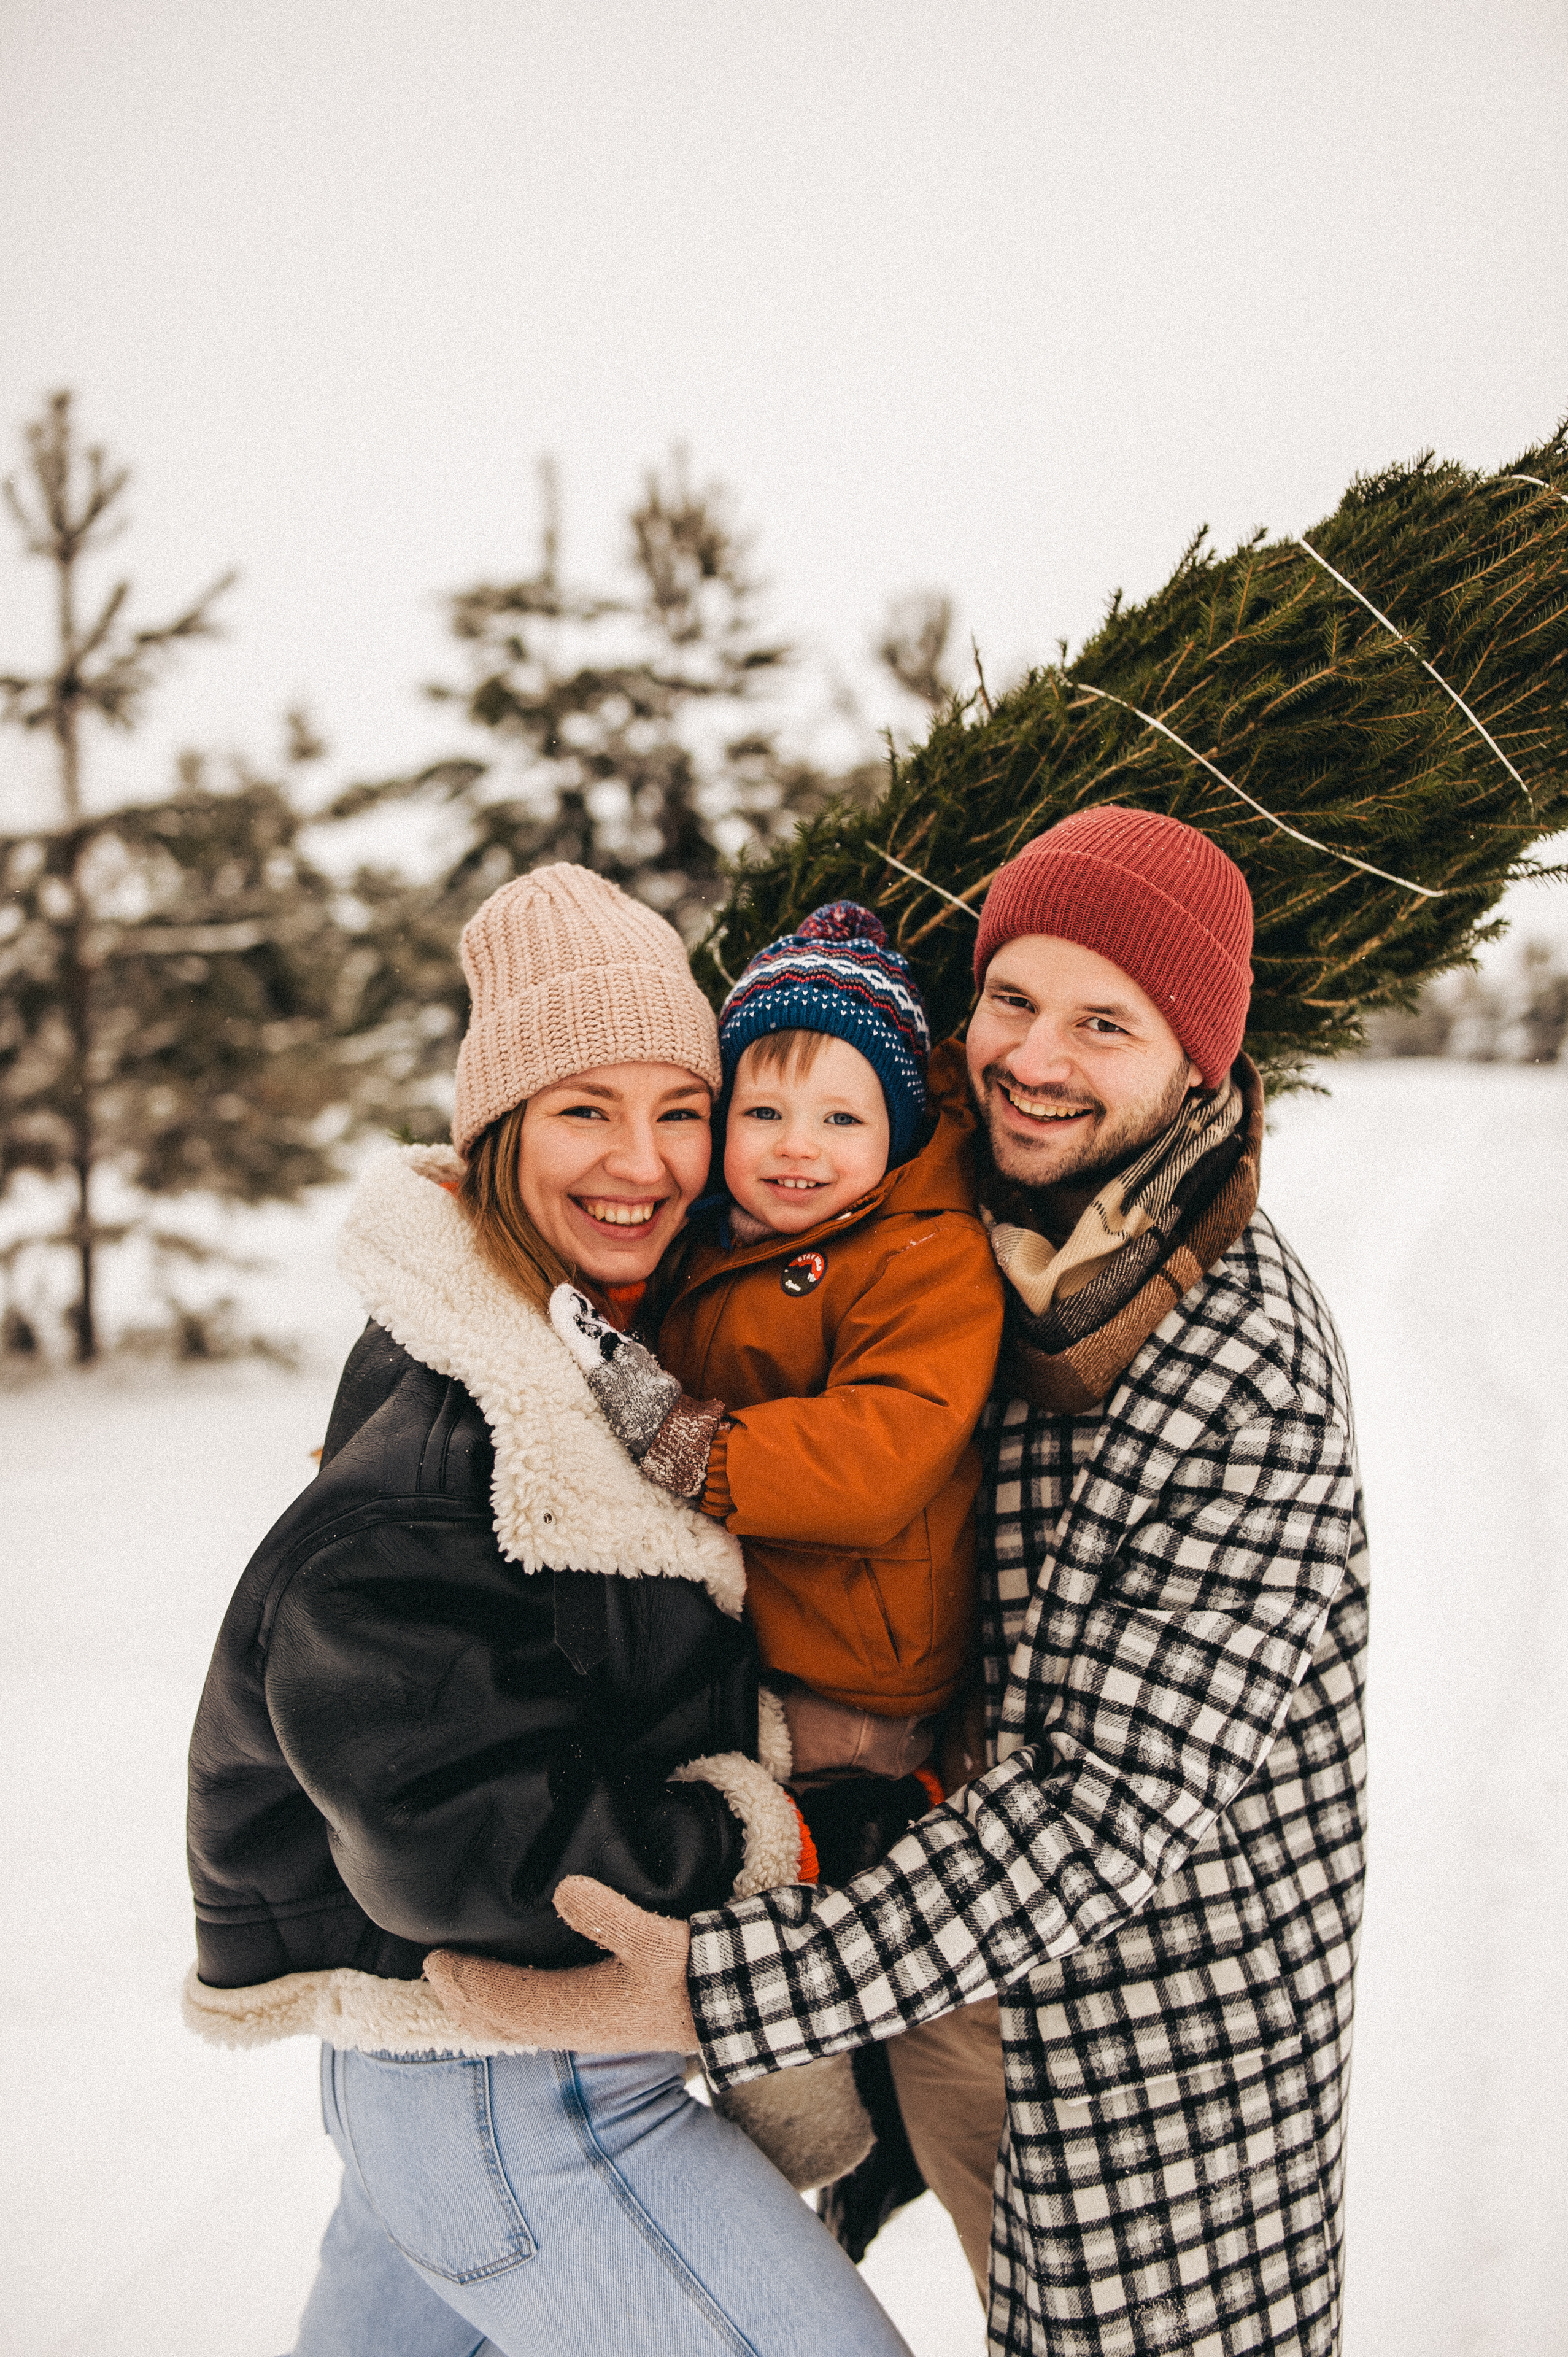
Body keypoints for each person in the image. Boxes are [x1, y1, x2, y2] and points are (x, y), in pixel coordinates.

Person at [428, 806, 1371, 2357]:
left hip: (1145, 2040)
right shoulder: (936, 1201)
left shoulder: (1241, 1364)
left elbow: (1111, 1812)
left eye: (1102, 1023)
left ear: (1196, 1062)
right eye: (1009, 999)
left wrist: (712, 1993)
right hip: (921, 1946)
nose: (1035, 1058)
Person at [182, 863, 914, 2357]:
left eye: (678, 1109)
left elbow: (577, 1675)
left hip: (448, 2078)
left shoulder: (573, 1342)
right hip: (511, 2082)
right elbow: (471, 1840)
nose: (639, 1161)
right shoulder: (448, 1447)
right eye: (585, 1109)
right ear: (498, 1128)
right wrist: (767, 1825)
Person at [550, 899, 1005, 1821]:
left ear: (899, 1134)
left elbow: (884, 1448)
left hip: (852, 1678)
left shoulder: (925, 1256)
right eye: (765, 1111)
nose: (797, 1145)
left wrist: (696, 1450)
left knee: (738, 1824)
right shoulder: (711, 1238)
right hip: (753, 1639)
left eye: (842, 1118)